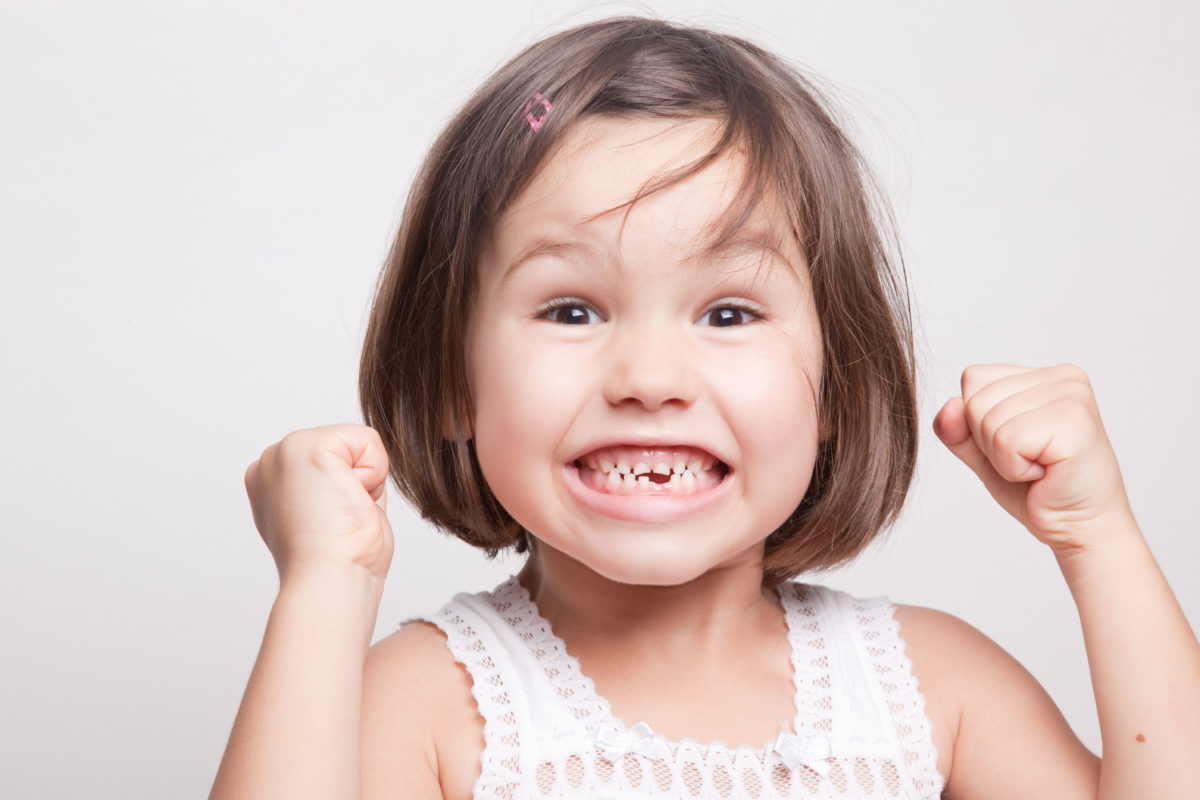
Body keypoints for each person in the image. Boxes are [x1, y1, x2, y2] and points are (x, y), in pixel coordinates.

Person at [210, 16, 1200, 800]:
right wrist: (324, 586)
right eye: (571, 307)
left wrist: (1097, 536)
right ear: (451, 384)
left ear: (836, 386)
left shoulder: (932, 687)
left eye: (728, 311)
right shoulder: (428, 706)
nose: (649, 375)